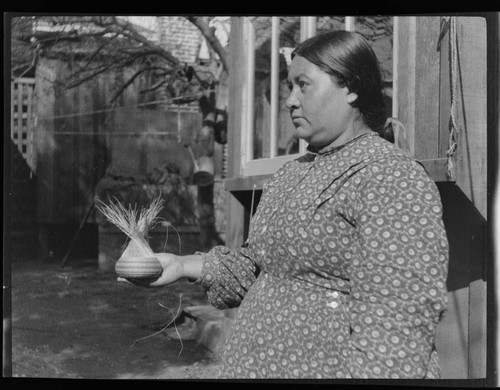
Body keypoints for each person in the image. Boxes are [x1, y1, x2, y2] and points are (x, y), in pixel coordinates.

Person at [120, 30, 449, 379]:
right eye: (288, 87)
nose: (290, 100)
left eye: (303, 85)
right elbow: (261, 270)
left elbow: (397, 330)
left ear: (350, 87)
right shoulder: (292, 173)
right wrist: (182, 265)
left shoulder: (389, 177)